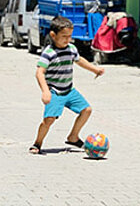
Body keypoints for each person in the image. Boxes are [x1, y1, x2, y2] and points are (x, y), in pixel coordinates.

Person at [29, 16, 104, 155]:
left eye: (69, 36)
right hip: (55, 92)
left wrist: (94, 69)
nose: (67, 39)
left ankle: (73, 137)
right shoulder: (49, 53)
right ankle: (37, 143)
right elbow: (39, 72)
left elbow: (79, 60)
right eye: (64, 36)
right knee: (49, 119)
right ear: (53, 35)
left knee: (86, 110)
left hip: (69, 90)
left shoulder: (71, 48)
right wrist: (45, 91)